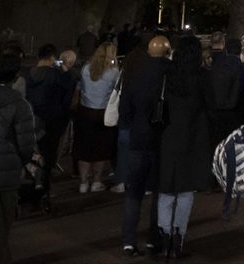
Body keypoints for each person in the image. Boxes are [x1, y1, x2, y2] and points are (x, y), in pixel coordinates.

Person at [156, 36, 212, 258]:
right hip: (194, 137)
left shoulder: (167, 75)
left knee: (167, 188)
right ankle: (179, 235)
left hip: (169, 135)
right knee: (186, 189)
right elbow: (211, 105)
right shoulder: (202, 77)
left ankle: (165, 235)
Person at [119, 35, 171, 257]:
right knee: (158, 191)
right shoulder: (170, 73)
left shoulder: (135, 73)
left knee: (134, 192)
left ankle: (128, 240)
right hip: (161, 138)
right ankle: (154, 238)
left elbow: (125, 110)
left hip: (138, 137)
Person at [0, 52, 37, 264]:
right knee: (3, 229)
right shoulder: (20, 105)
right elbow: (26, 145)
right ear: (15, 77)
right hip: (8, 174)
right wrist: (25, 160)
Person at [24, 43, 73, 211]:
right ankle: (43, 191)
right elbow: (69, 87)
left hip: (32, 121)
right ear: (52, 57)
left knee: (33, 157)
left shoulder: (29, 74)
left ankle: (32, 192)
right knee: (48, 156)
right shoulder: (55, 75)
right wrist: (65, 69)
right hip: (52, 122)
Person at [74, 40, 119, 193]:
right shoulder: (113, 72)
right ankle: (96, 181)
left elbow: (79, 87)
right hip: (102, 113)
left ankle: (83, 182)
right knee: (101, 148)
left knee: (84, 148)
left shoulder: (86, 68)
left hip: (85, 111)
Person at [205, 33, 244, 146]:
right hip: (236, 116)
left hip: (215, 115)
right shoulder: (242, 68)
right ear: (241, 51)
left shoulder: (214, 66)